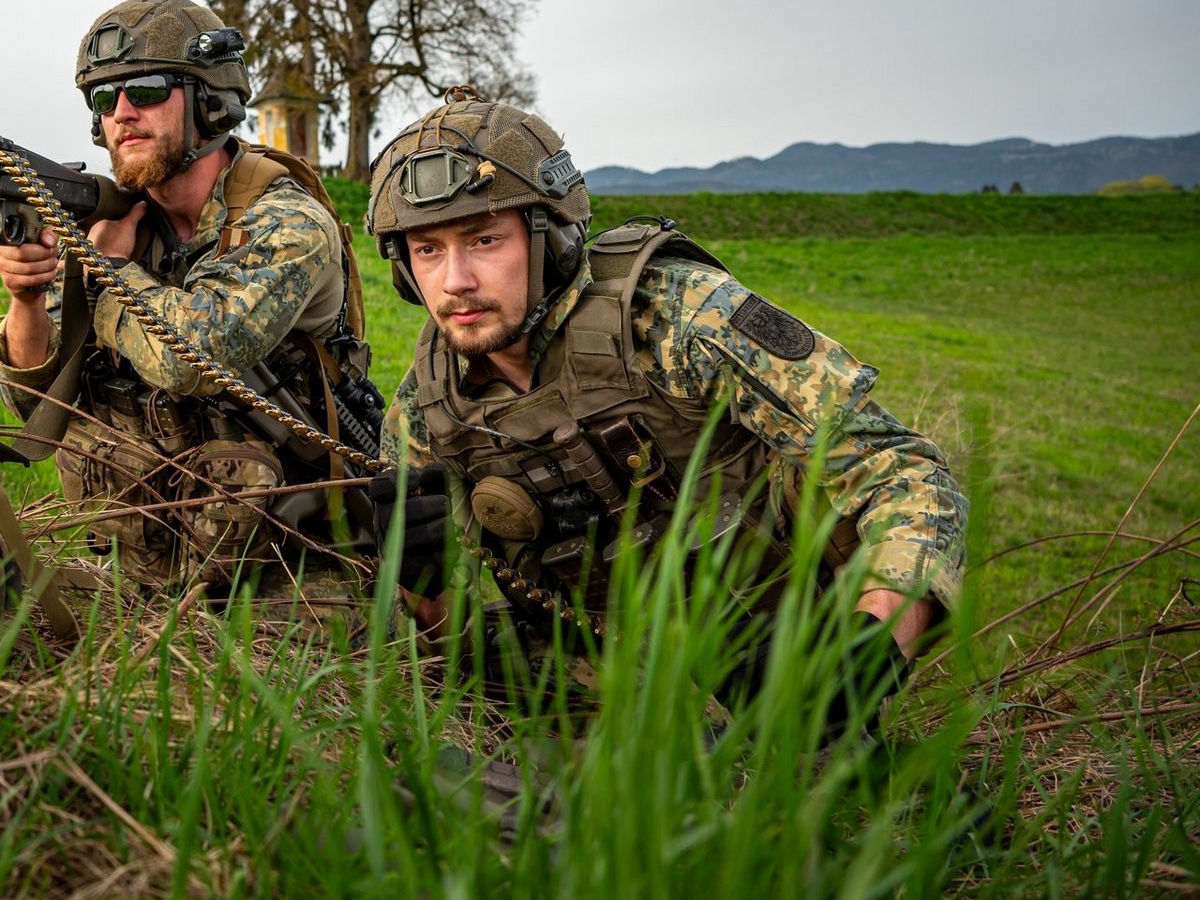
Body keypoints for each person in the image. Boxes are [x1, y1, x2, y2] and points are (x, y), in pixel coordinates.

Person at [367, 89, 967, 722]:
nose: (455, 280)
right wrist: (423, 588)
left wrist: (867, 647)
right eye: (427, 250)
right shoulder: (429, 409)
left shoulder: (675, 316)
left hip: (778, 646)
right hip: (600, 680)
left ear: (551, 239)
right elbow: (442, 655)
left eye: (484, 240)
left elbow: (898, 468)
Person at [0, 0, 375, 613]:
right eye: (103, 99)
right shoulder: (114, 226)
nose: (120, 114)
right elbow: (28, 406)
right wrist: (28, 299)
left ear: (209, 101)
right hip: (138, 560)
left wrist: (104, 273)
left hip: (291, 569)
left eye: (143, 90)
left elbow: (193, 356)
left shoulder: (289, 222)